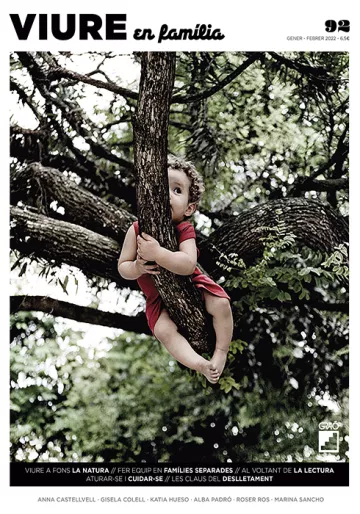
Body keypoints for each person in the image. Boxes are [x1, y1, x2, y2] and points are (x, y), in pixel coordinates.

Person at [118, 156, 233, 384]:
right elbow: (122, 267)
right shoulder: (136, 229)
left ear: (189, 208)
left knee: (221, 304)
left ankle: (221, 351)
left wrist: (158, 254)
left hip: (193, 285)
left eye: (177, 190)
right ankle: (198, 362)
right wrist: (138, 266)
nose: (167, 194)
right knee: (163, 330)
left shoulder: (184, 229)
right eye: (162, 187)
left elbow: (188, 264)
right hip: (156, 299)